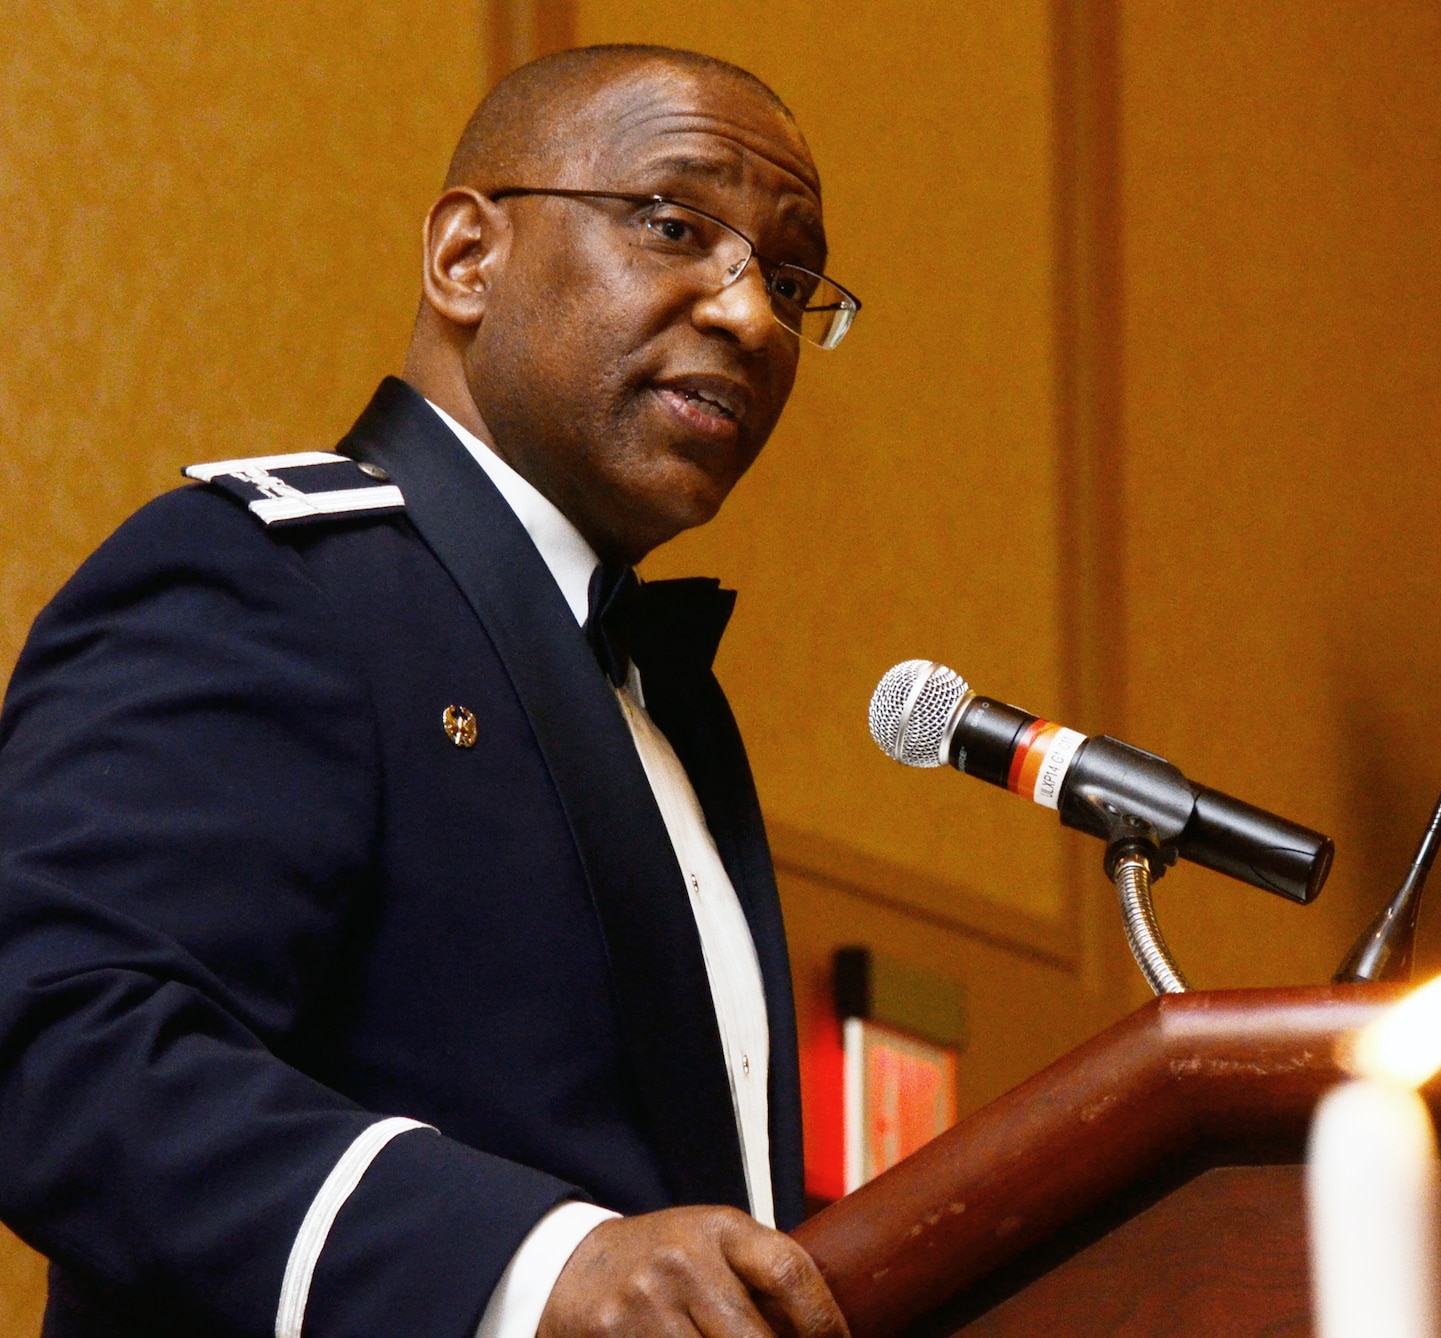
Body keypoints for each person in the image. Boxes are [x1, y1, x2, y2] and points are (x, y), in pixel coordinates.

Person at [0, 44, 860, 1338]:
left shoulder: (673, 706)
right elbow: (53, 1032)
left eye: (789, 279)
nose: (749, 316)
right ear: (466, 257)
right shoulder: (265, 578)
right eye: (675, 224)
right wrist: (532, 1265)